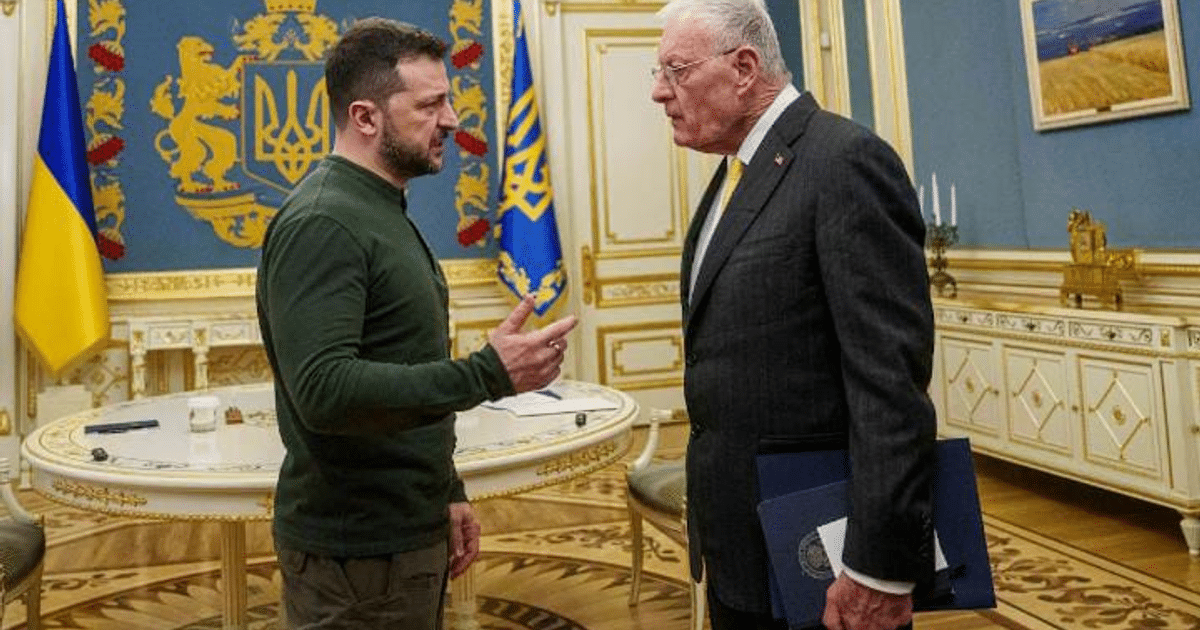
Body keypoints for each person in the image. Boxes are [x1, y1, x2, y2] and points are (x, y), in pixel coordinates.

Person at [256, 18, 576, 629]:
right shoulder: (325, 220)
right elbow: (326, 391)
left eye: (448, 100)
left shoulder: (379, 206)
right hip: (356, 555)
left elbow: (401, 365)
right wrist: (487, 373)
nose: (452, 119)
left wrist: (445, 490)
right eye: (430, 104)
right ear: (366, 117)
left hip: (404, 532)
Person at [650, 1, 937, 629]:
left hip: (826, 555)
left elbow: (889, 387)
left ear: (745, 67)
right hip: (745, 545)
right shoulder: (735, 172)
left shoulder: (844, 162)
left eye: (674, 71)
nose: (657, 93)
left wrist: (879, 568)